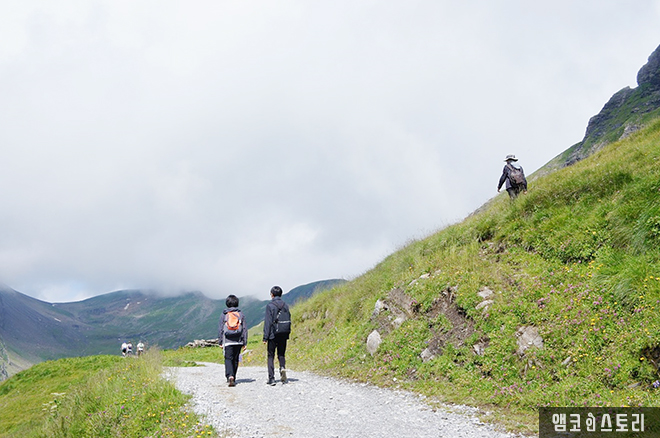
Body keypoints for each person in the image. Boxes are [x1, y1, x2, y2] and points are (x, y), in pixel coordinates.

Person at [263, 285, 291, 386]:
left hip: (273, 334)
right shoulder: (285, 305)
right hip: (283, 333)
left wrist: (265, 337)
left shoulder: (270, 306)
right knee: (281, 354)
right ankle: (282, 368)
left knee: (271, 355)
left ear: (272, 294)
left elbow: (268, 322)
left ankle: (271, 379)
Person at [218, 294, 248, 387]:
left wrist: (220, 341)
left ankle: (230, 376)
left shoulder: (224, 314)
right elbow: (244, 329)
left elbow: (220, 329)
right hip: (238, 340)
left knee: (228, 358)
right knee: (235, 359)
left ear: (227, 303)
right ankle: (233, 376)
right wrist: (244, 342)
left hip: (227, 341)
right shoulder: (240, 314)